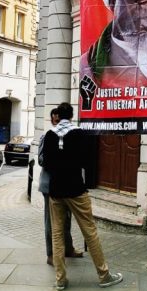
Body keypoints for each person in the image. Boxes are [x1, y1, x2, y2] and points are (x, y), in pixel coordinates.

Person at [42, 102, 123, 291]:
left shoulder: (50, 135)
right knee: (89, 231)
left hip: (56, 191)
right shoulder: (79, 134)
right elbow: (88, 161)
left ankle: (60, 279)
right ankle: (104, 275)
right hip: (76, 189)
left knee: (57, 234)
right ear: (71, 115)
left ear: (58, 116)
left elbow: (46, 162)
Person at [38, 108, 83, 267]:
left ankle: (68, 249)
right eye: (56, 121)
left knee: (67, 219)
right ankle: (51, 254)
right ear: (52, 121)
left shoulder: (71, 135)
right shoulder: (48, 136)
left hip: (66, 184)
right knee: (51, 222)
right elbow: (42, 160)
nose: (58, 124)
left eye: (60, 120)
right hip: (50, 185)